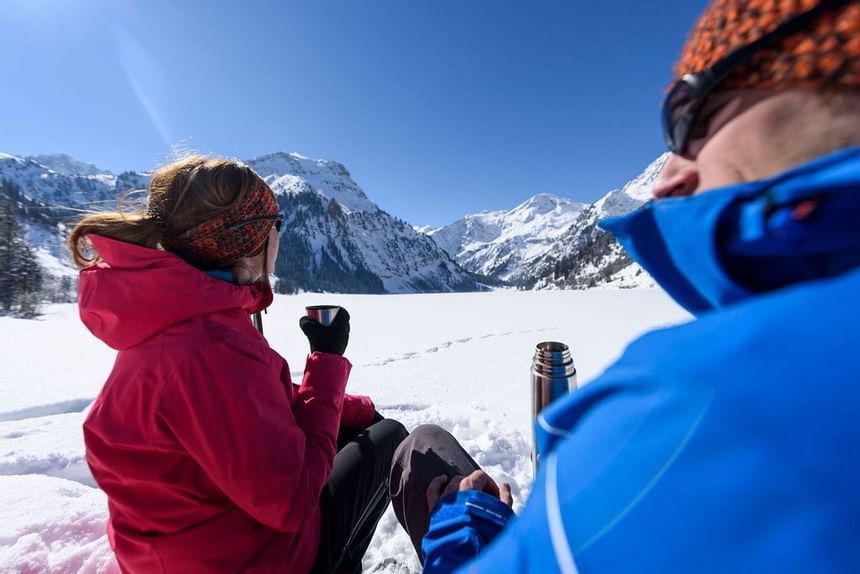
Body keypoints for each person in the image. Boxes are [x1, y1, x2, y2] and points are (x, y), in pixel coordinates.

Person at [390, 0, 860, 572]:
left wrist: (464, 539)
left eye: (691, 118)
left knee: (419, 448)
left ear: (821, 70)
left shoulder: (694, 405)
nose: (665, 178)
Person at [70, 155, 408, 573]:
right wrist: (331, 358)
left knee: (361, 429)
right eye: (276, 227)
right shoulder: (211, 351)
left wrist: (345, 404)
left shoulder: (179, 320)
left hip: (178, 548)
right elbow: (294, 501)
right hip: (249, 560)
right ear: (252, 241)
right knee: (391, 437)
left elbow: (255, 409)